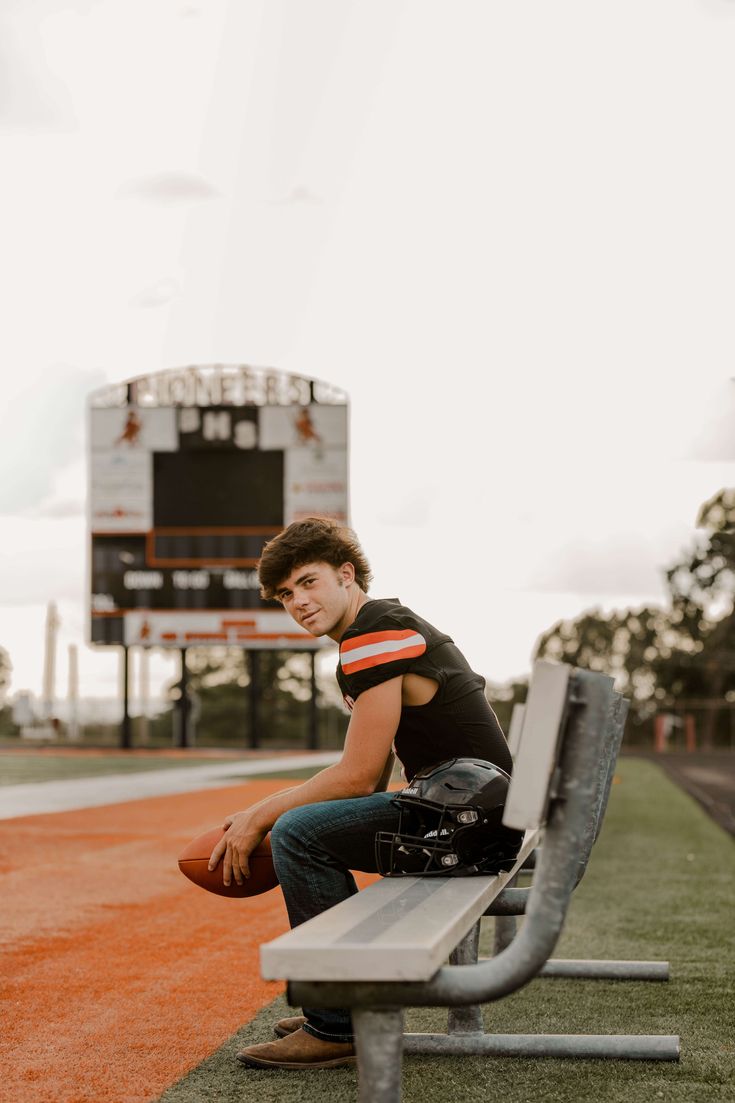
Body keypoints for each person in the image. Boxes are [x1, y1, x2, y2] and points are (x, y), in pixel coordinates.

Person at [208, 517, 516, 1071]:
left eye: (308, 582)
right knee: (308, 826)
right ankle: (341, 999)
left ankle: (337, 1023)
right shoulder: (379, 627)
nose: (298, 602)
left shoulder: (374, 634)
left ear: (346, 574)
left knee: (299, 834)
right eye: (285, 594)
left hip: (475, 818)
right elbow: (366, 783)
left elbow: (357, 777)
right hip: (479, 810)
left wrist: (262, 814)